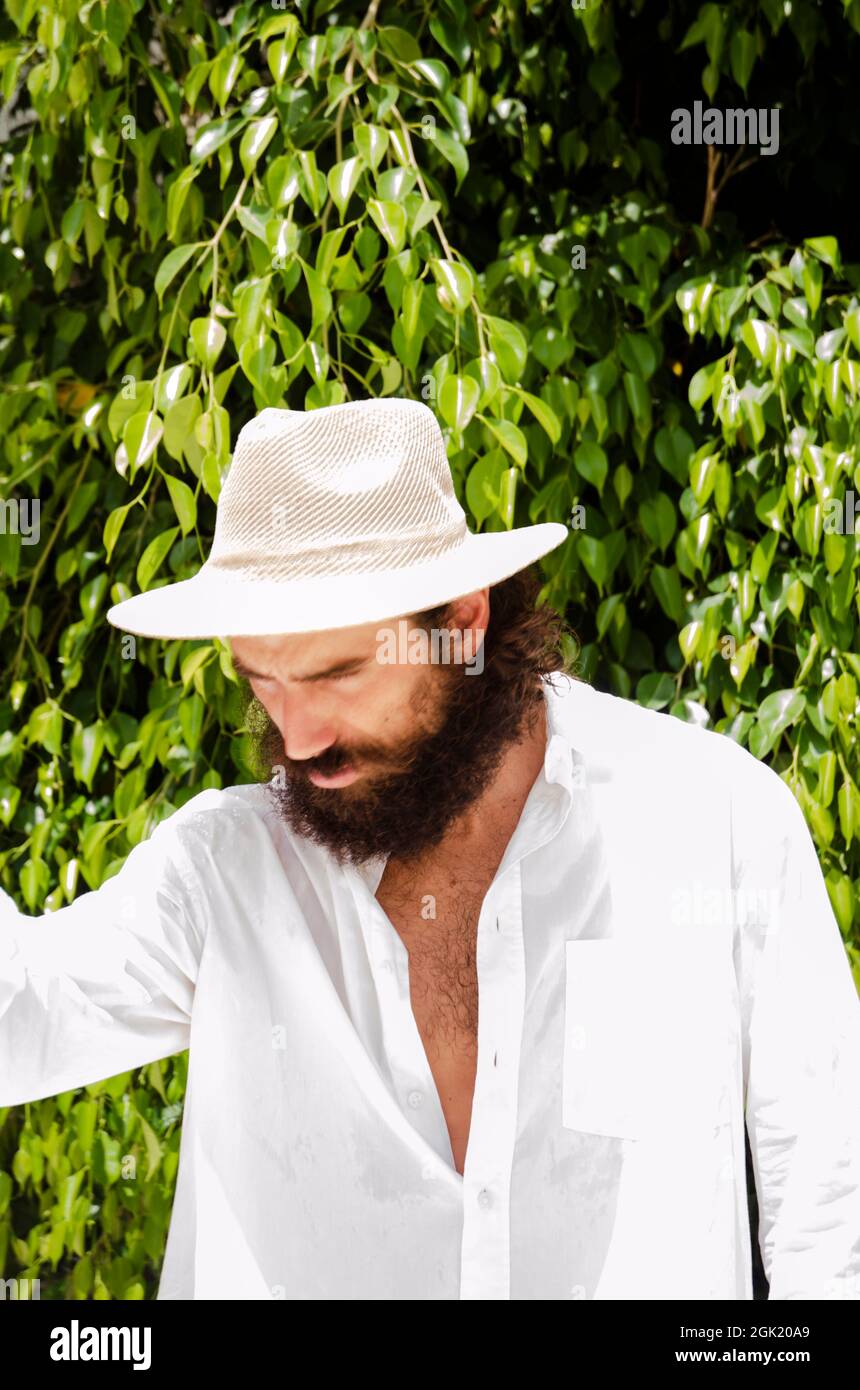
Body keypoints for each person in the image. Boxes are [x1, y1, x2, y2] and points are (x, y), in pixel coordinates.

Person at [1, 398, 858, 1300]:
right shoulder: (223, 875)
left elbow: (830, 1215)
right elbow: (20, 1019)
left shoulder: (713, 821)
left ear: (463, 620)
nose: (296, 739)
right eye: (261, 679)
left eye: (339, 673)